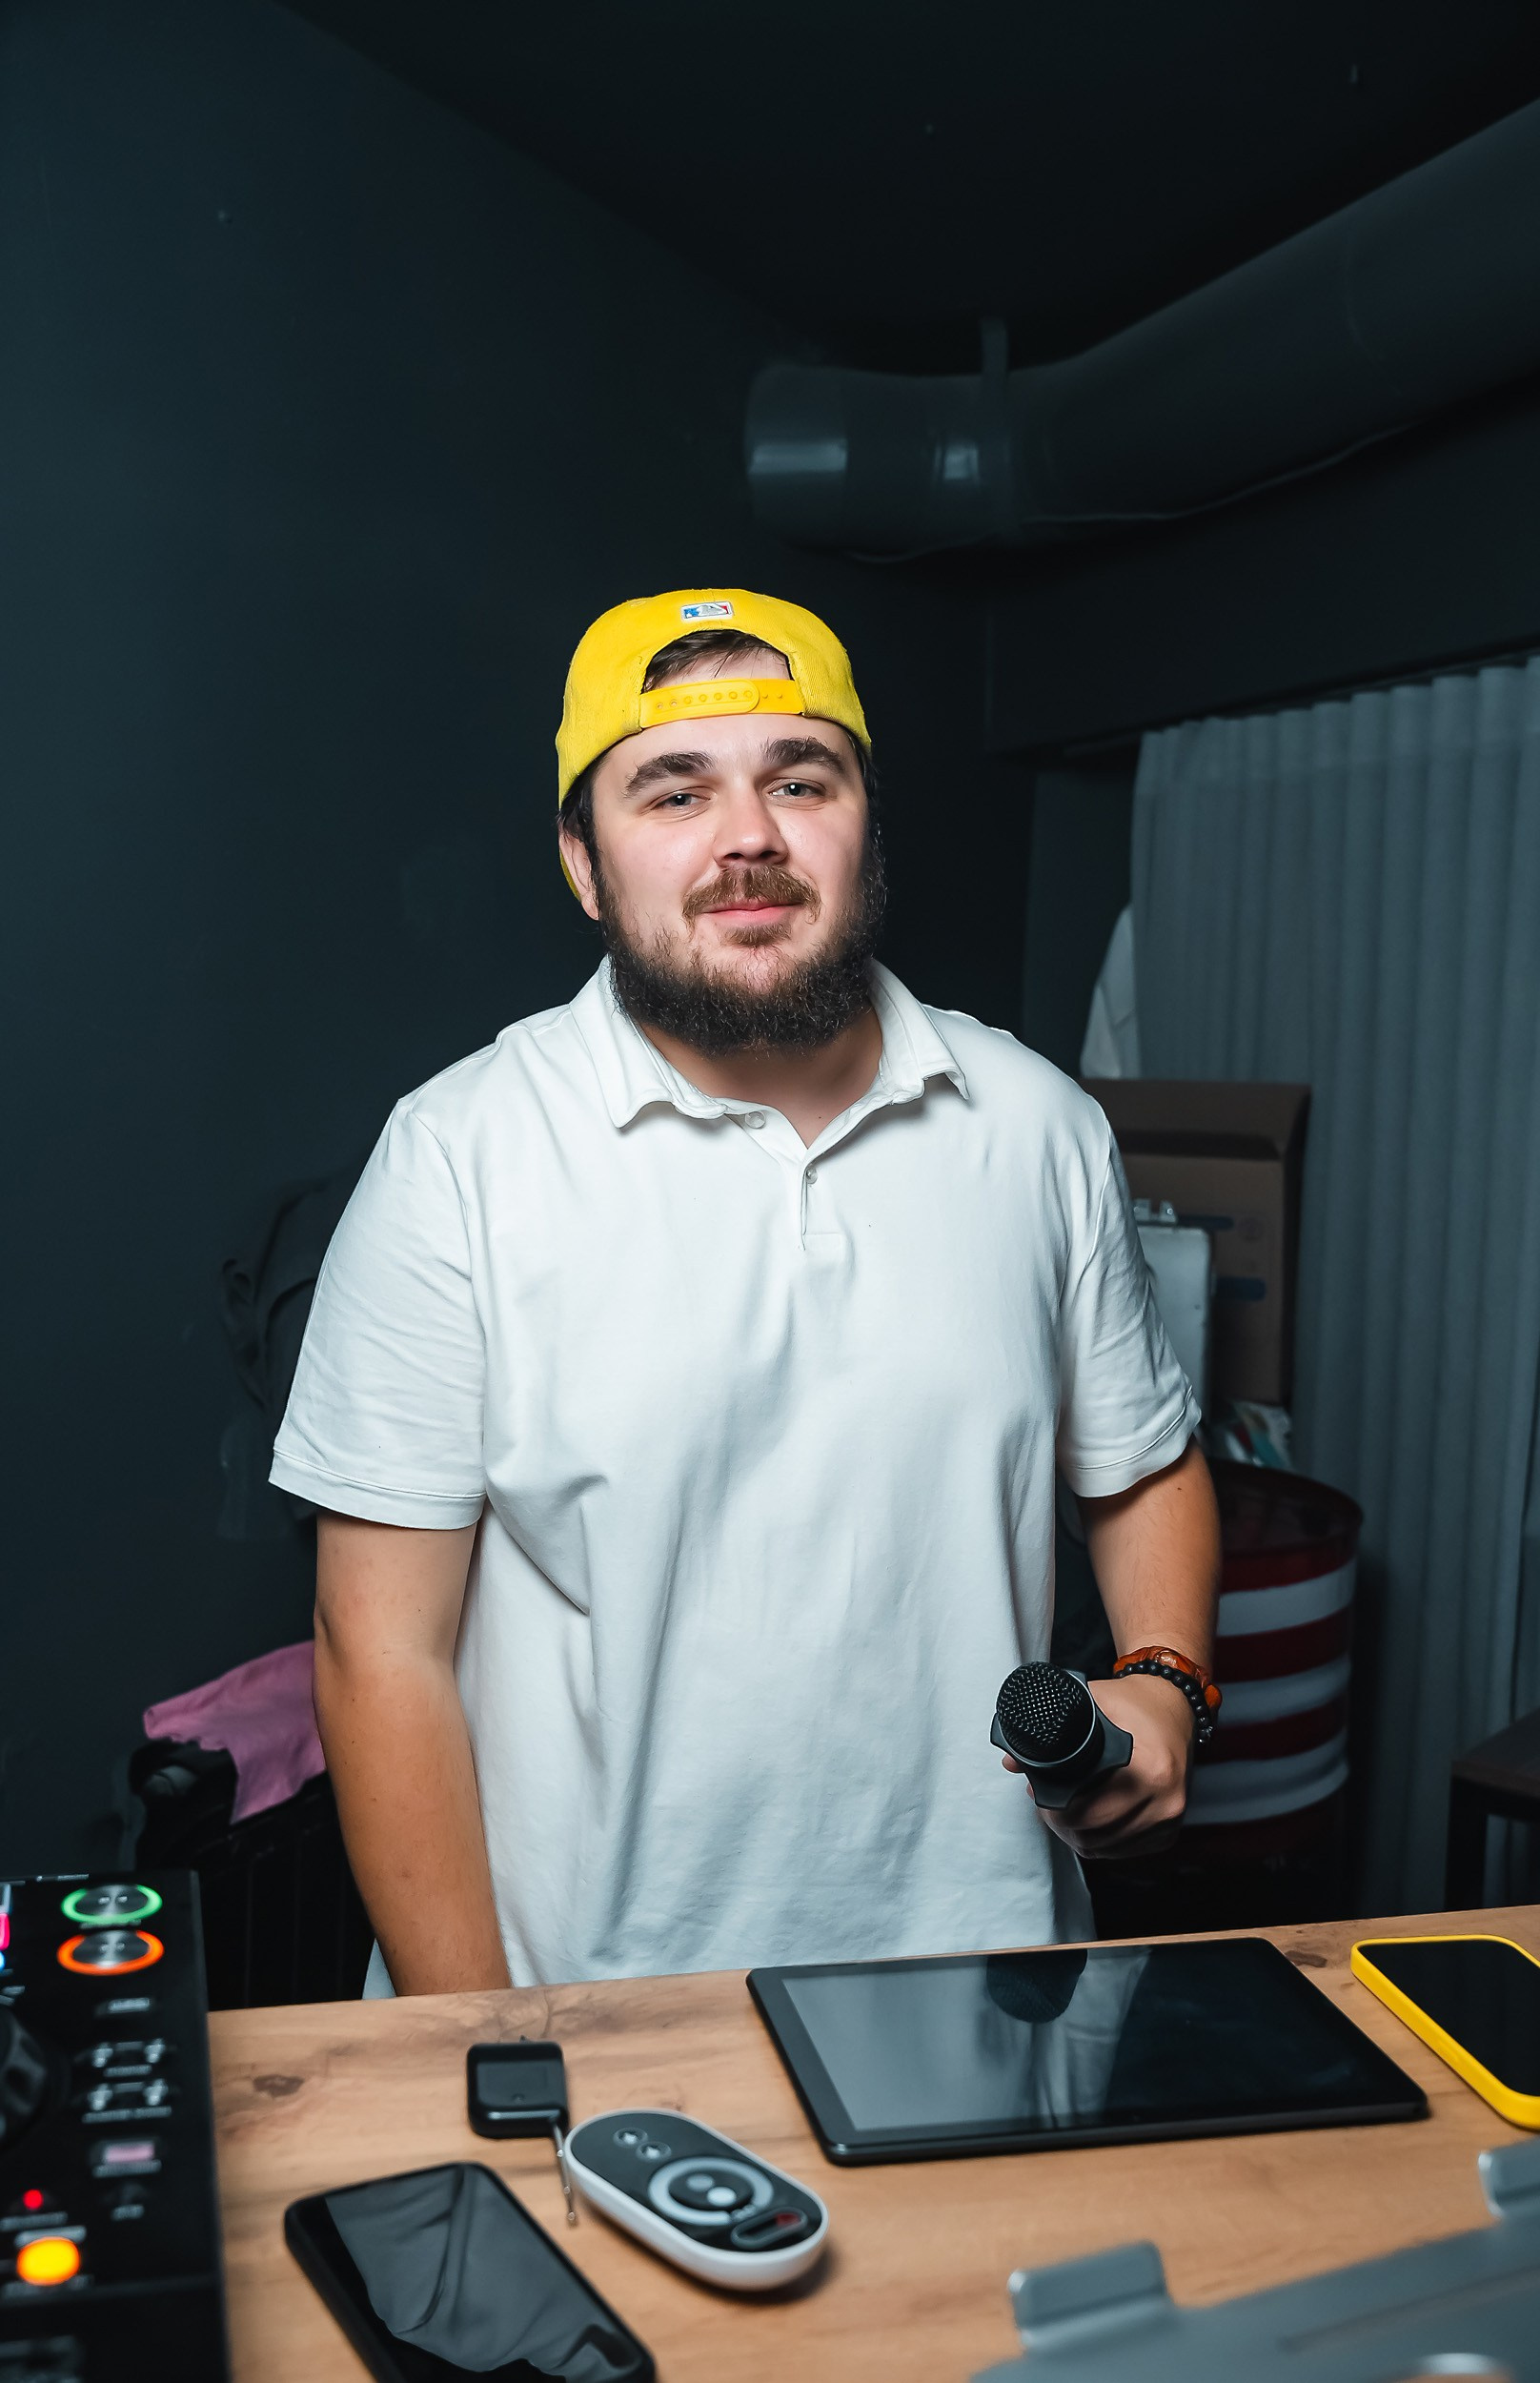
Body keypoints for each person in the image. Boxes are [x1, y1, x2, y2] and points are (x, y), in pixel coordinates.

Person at [271, 588, 1222, 1996]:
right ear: (584, 865)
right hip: (594, 2000)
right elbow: (380, 1647)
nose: (749, 838)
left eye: (801, 779)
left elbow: (1144, 1462)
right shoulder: (459, 1155)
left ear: (864, 825)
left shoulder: (1037, 1124)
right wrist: (483, 2038)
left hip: (989, 1976)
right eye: (675, 791)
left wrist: (1168, 1680)